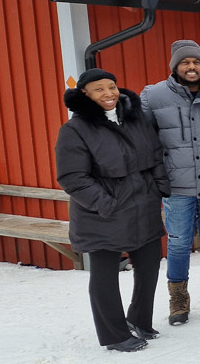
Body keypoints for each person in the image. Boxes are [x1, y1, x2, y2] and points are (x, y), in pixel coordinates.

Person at [56, 69, 169, 352]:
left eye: (112, 87)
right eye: (99, 89)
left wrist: (159, 186)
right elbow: (73, 178)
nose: (108, 94)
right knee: (105, 274)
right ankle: (115, 335)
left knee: (149, 265)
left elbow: (155, 154)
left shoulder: (135, 118)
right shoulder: (75, 130)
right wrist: (107, 204)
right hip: (103, 212)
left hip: (143, 204)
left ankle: (139, 319)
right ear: (85, 94)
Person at [140, 40, 200, 325]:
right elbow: (142, 137)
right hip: (176, 183)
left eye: (196, 62)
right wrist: (158, 166)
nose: (191, 67)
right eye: (185, 62)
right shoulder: (154, 95)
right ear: (175, 66)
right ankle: (178, 300)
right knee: (179, 241)